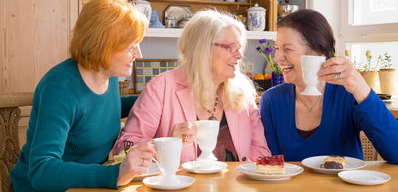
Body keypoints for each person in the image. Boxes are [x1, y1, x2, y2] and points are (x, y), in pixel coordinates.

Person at [10, 0, 156, 191]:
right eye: (131, 48)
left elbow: (101, 110)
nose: (139, 55)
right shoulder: (60, 89)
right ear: (104, 45)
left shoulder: (107, 74)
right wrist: (116, 174)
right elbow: (41, 170)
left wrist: (157, 97)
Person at [113, 10, 271, 162]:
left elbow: (261, 152)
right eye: (232, 48)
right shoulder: (160, 88)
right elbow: (123, 148)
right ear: (202, 49)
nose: (240, 55)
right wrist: (167, 144)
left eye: (240, 47)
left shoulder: (242, 92)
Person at [260, 9, 398, 163]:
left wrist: (361, 89)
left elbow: (396, 152)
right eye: (277, 48)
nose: (278, 58)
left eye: (287, 49)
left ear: (317, 53)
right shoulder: (271, 100)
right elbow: (272, 168)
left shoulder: (347, 94)